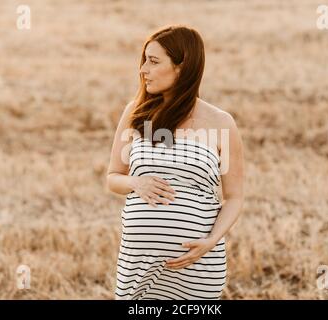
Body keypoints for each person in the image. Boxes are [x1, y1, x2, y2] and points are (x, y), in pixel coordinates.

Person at [106, 25, 244, 300]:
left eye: (154, 62)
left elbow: (235, 197)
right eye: (144, 60)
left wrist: (210, 241)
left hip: (196, 267)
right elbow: (113, 177)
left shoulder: (221, 123)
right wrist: (135, 181)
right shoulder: (136, 113)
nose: (143, 69)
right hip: (138, 266)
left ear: (183, 67)